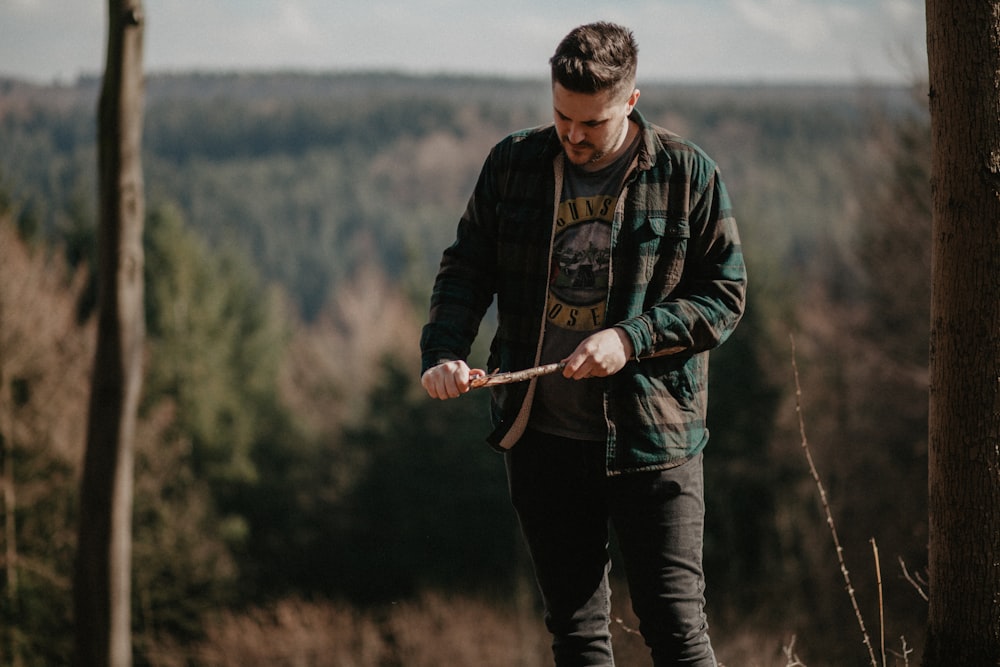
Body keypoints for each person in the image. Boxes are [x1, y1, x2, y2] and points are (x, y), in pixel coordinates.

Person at [420, 21, 746, 667]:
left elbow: (724, 297)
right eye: (562, 116)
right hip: (541, 439)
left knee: (677, 631)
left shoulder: (687, 172)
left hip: (656, 441)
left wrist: (631, 339)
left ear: (630, 101)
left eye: (591, 124)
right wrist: (443, 353)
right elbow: (465, 270)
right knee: (576, 634)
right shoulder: (514, 164)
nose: (573, 135)